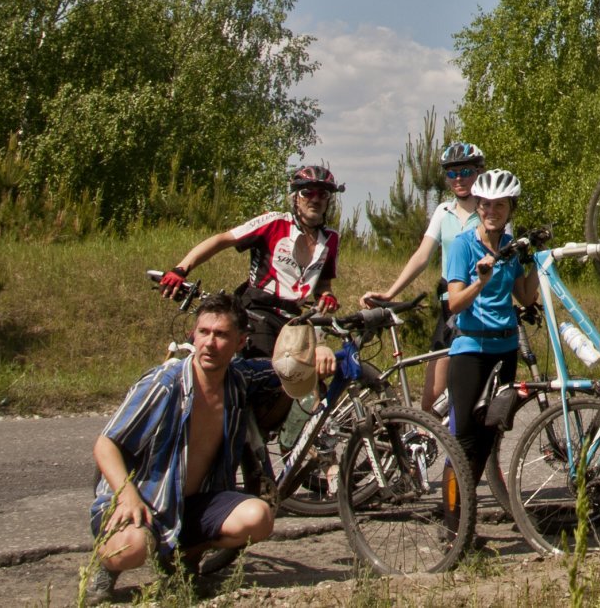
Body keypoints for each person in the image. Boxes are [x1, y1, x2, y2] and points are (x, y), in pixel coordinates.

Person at [84, 291, 335, 604]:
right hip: (144, 499)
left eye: (221, 335)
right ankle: (105, 569)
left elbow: (283, 367)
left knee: (258, 517)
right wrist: (127, 495)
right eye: (203, 332)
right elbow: (105, 444)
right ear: (194, 334)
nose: (209, 343)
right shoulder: (165, 384)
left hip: (193, 504)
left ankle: (181, 561)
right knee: (132, 548)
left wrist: (319, 350)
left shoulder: (239, 379)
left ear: (240, 342)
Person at [159, 165, 343, 358]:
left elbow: (323, 283)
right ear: (295, 198)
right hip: (258, 311)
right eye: (307, 193)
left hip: (294, 319)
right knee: (263, 367)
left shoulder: (331, 239)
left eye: (322, 194)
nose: (315, 199)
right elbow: (222, 240)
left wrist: (326, 296)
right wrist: (181, 269)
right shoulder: (274, 223)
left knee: (303, 373)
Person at [362, 141, 487, 411]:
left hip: (482, 304)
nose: (458, 179)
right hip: (450, 305)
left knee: (477, 393)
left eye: (465, 172)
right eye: (452, 173)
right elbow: (421, 256)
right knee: (431, 395)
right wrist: (390, 292)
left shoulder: (490, 213)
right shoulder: (444, 212)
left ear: (479, 172)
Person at [443, 168, 537, 485]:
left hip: (506, 349)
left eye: (499, 205)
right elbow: (455, 303)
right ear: (478, 206)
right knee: (464, 438)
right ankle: (454, 513)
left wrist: (539, 262)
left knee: (489, 433)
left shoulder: (510, 247)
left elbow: (524, 296)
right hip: (471, 349)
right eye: (485, 204)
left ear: (511, 209)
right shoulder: (463, 245)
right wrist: (480, 282)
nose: (491, 211)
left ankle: (467, 501)